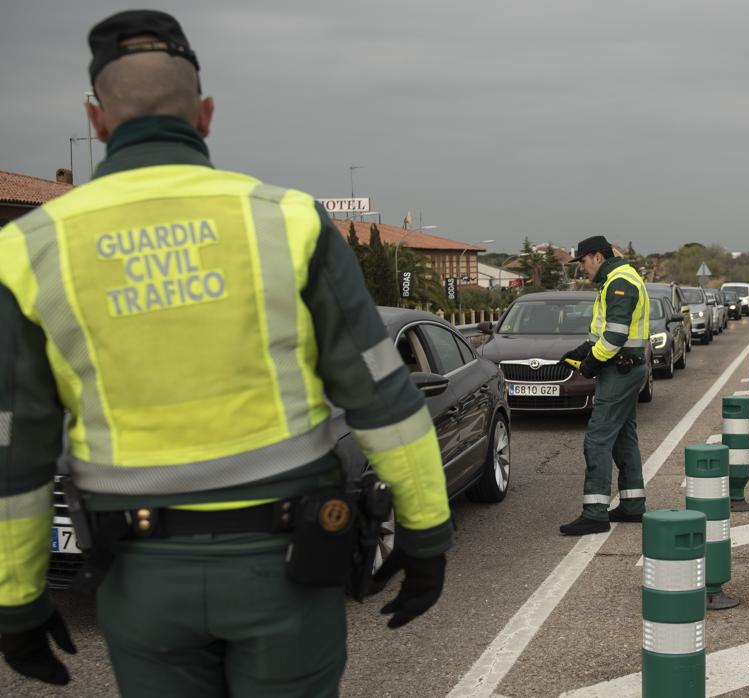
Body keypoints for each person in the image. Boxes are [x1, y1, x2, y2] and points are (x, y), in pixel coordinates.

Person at [0, 10, 452, 694]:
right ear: (205, 114)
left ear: (97, 120)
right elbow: (381, 394)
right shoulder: (288, 222)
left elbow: (17, 449)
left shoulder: (30, 250)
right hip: (286, 569)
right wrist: (425, 535)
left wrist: (17, 598)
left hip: (140, 579)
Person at [558, 236, 651, 535]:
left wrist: (590, 363)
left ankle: (595, 513)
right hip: (627, 367)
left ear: (597, 257)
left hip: (620, 369)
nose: (582, 269)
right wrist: (584, 349)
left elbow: (615, 336)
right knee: (624, 436)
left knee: (597, 438)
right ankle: (632, 505)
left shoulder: (618, 283)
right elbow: (604, 332)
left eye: (583, 262)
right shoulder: (618, 278)